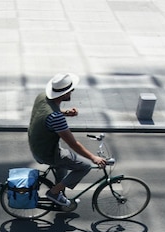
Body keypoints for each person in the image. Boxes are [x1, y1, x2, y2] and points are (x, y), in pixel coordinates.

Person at [28, 73, 107, 207]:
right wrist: (94, 158)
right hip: (47, 152)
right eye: (70, 90)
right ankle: (53, 193)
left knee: (63, 165)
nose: (72, 91)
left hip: (36, 145)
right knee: (85, 166)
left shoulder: (41, 97)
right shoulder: (56, 118)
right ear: (64, 94)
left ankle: (59, 193)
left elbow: (46, 112)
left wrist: (65, 112)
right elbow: (73, 144)